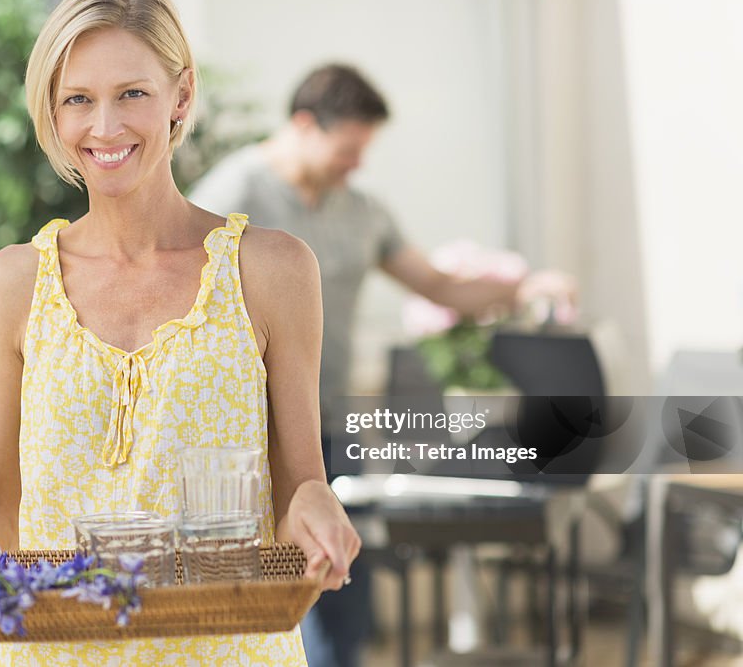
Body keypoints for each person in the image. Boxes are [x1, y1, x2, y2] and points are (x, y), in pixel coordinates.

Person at [0, 0, 359, 665]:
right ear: (53, 114)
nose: (105, 127)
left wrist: (317, 508)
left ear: (180, 96)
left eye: (133, 94)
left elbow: (297, 486)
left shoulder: (271, 270)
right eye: (78, 100)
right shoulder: (12, 284)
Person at [190, 64, 575, 667]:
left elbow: (439, 287)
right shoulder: (233, 192)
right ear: (303, 125)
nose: (356, 164)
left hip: (330, 430)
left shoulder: (365, 211)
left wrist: (525, 287)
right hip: (243, 434)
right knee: (277, 596)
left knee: (344, 587)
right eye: (348, 150)